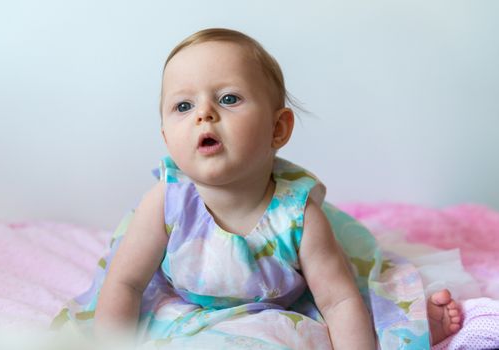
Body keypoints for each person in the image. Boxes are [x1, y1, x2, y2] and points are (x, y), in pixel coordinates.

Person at [64, 28, 462, 349]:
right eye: (183, 106)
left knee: (331, 324)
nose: (204, 113)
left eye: (228, 98)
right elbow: (126, 284)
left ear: (278, 129)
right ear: (167, 138)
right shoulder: (166, 202)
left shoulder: (298, 215)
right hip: (183, 306)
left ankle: (416, 327)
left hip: (274, 311)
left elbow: (338, 301)